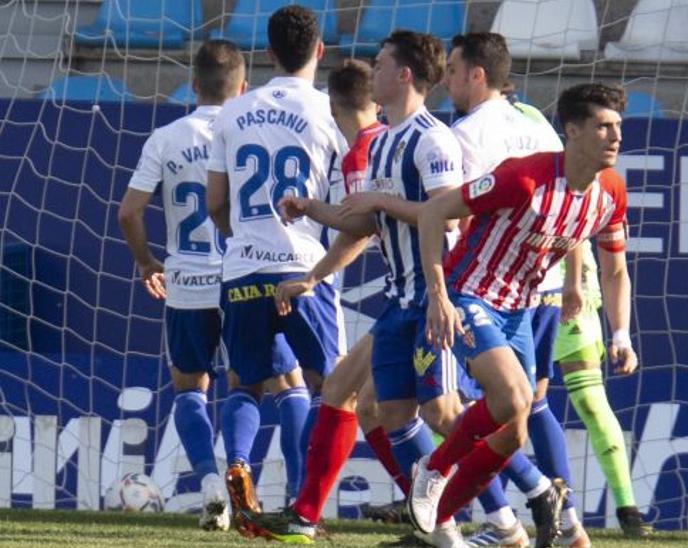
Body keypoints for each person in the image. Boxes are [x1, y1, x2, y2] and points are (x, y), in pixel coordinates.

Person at [244, 30, 469, 545]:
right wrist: (310, 213)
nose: (374, 72)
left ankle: (520, 491)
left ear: (405, 74)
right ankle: (442, 533)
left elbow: (448, 218)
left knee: (437, 413)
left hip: (433, 297)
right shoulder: (384, 142)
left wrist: (382, 209)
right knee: (381, 410)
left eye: (382, 63)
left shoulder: (433, 140)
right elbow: (363, 223)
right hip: (399, 298)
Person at [409, 83, 637, 548]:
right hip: (470, 293)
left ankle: (437, 525)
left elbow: (614, 269)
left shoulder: (611, 191)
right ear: (571, 131)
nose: (615, 136)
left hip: (523, 307)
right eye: (603, 126)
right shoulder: (523, 177)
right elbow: (434, 212)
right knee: (514, 400)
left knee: (512, 433)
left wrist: (621, 333)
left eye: (618, 126)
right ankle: (431, 469)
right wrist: (438, 294)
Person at [205, 4, 346, 532]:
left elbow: (216, 200)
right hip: (305, 266)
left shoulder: (233, 112)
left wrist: (242, 238)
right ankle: (303, 500)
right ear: (320, 51)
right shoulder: (331, 111)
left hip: (242, 268)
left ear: (267, 55)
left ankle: (239, 466)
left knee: (246, 383)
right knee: (328, 387)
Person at [442, 32, 576, 548]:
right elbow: (571, 193)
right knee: (534, 403)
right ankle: (567, 527)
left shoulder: (466, 133)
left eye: (453, 70)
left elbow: (460, 216)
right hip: (547, 277)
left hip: (490, 286)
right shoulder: (536, 120)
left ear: (478, 74)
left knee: (466, 407)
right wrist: (574, 278)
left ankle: (508, 518)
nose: (447, 81)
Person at [117, 38, 249, 532]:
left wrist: (147, 261)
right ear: (242, 88)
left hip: (187, 282)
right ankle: (242, 478)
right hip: (241, 277)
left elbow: (129, 212)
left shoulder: (167, 137)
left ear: (194, 85)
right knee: (247, 384)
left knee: (190, 386)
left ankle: (211, 486)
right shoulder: (248, 130)